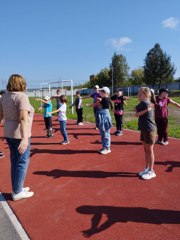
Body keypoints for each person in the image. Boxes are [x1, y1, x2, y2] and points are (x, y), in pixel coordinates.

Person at [0, 74, 34, 200]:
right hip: (19, 134)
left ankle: (17, 188)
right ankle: (17, 192)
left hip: (8, 133)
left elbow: (1, 116)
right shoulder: (21, 96)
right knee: (22, 162)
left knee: (15, 161)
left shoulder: (4, 97)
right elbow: (23, 119)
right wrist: (25, 139)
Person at [135, 87, 157, 180]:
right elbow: (137, 112)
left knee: (149, 150)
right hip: (145, 129)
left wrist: (144, 110)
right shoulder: (147, 103)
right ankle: (147, 168)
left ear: (145, 95)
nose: (138, 95)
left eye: (140, 94)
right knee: (146, 150)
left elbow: (136, 112)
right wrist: (146, 110)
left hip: (149, 129)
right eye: (138, 93)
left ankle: (151, 171)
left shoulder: (144, 102)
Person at [87, 87, 112, 154]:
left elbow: (96, 104)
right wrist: (99, 99)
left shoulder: (105, 99)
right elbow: (100, 101)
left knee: (106, 132)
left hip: (104, 116)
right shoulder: (104, 98)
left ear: (106, 93)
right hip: (102, 115)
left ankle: (107, 148)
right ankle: (104, 147)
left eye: (101, 91)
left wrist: (89, 105)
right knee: (103, 133)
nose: (100, 92)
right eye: (100, 91)